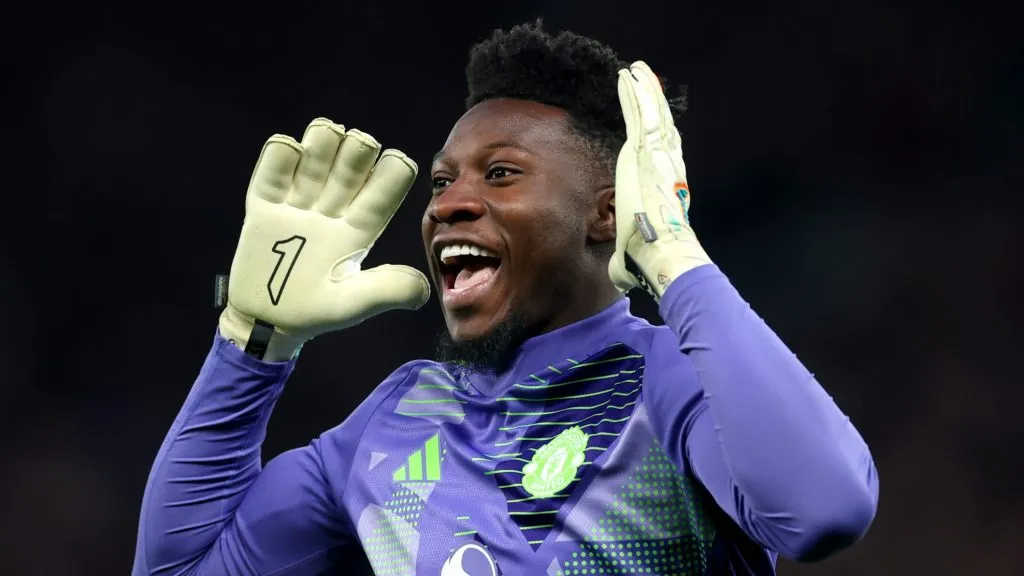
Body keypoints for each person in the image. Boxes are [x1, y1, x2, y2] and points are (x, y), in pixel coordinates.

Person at [132, 22, 878, 576]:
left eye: (500, 174)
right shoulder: (392, 423)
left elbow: (823, 511)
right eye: (442, 180)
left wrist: (677, 258)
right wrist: (253, 343)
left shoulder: (667, 384)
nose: (449, 204)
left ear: (607, 214)